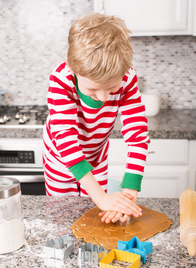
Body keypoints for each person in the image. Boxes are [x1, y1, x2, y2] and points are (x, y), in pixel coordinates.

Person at [43, 13, 150, 224]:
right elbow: (65, 139)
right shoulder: (61, 79)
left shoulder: (127, 77)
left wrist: (129, 191)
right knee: (62, 214)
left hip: (97, 155)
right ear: (72, 68)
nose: (103, 98)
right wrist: (100, 196)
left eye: (112, 88)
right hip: (61, 159)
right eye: (92, 89)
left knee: (94, 216)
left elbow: (137, 134)